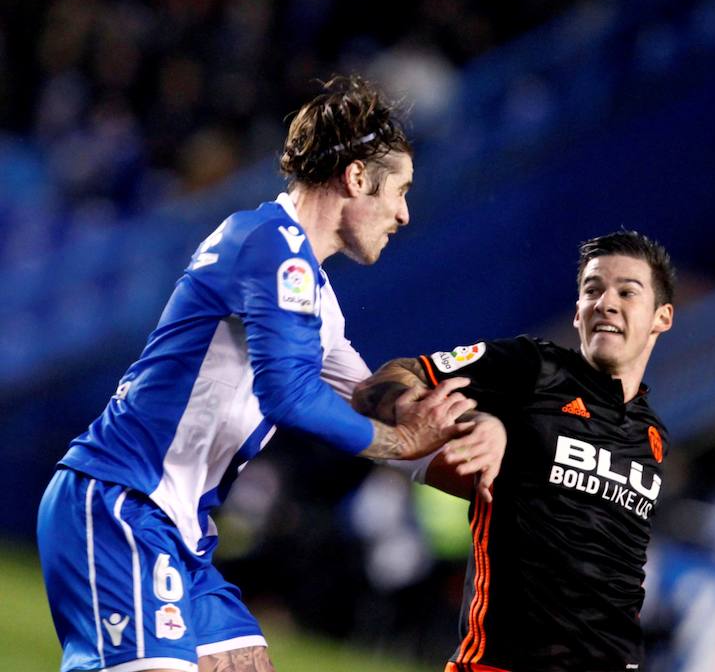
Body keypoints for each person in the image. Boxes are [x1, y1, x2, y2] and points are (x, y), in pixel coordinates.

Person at [37, 75, 500, 672]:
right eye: (401, 190)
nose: (405, 214)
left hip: (176, 531)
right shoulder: (267, 244)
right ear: (358, 178)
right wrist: (399, 437)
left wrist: (477, 460)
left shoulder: (307, 287)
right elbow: (290, 394)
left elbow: (365, 398)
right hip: (120, 504)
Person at [353, 230, 677, 672]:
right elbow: (387, 382)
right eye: (592, 289)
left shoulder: (652, 436)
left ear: (662, 317)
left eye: (627, 291)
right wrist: (475, 421)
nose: (605, 302)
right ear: (578, 311)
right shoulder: (533, 369)